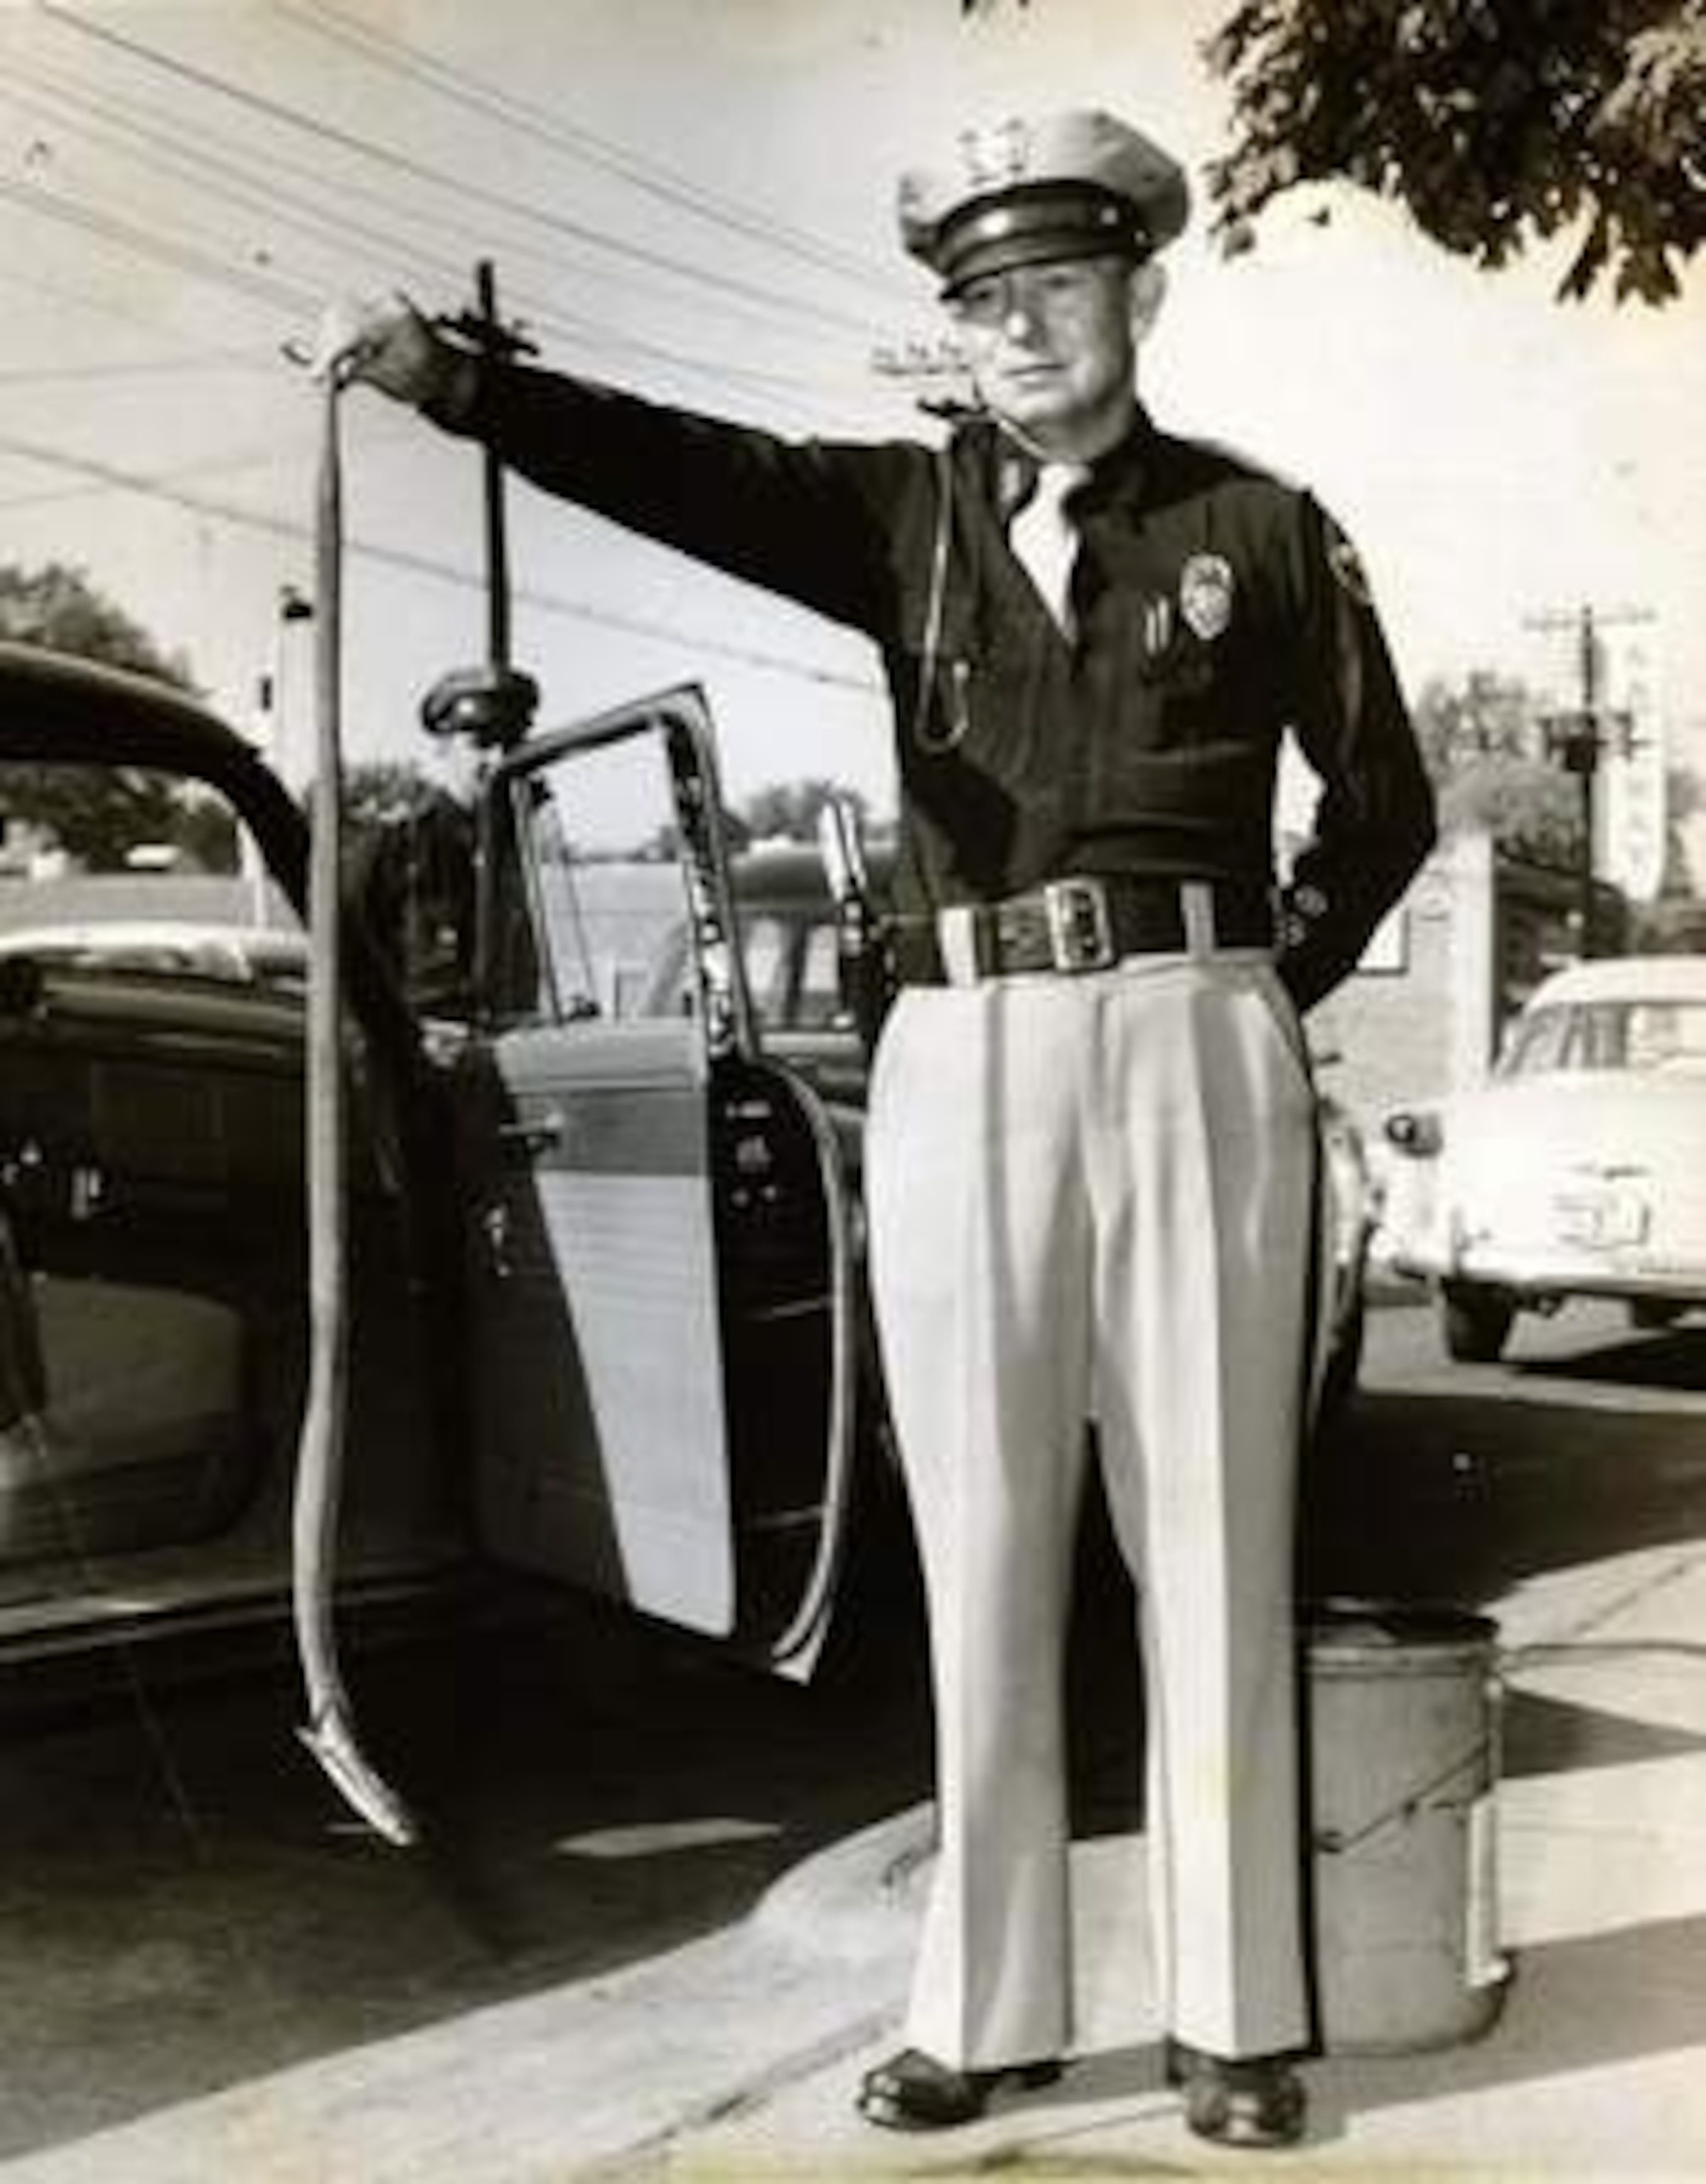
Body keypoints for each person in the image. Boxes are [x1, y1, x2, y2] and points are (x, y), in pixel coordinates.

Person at [323, 105, 1435, 2151]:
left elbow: (1386, 813)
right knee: (987, 1539)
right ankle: (986, 2010)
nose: (1026, 332)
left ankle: (1235, 2020)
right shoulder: (895, 519)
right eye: (988, 302)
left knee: (1212, 1534)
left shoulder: (1263, 532)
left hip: (1196, 1032)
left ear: (1139, 296)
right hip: (966, 1051)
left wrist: (1256, 984)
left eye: (1061, 289)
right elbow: (669, 463)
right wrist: (460, 384)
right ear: (960, 332)